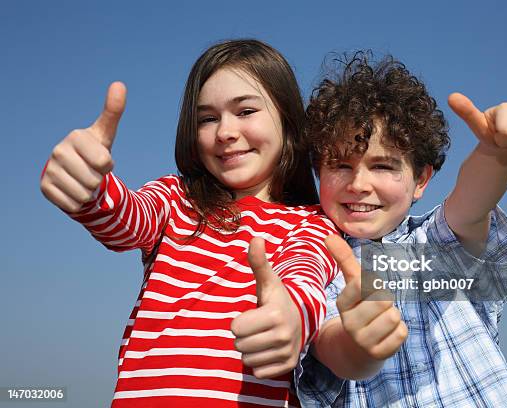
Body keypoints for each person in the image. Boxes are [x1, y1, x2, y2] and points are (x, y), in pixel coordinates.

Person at [40, 39, 341, 407]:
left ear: (288, 120)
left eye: (245, 111)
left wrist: (290, 320)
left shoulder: (311, 223)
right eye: (207, 118)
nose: (225, 131)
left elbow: (304, 278)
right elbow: (124, 219)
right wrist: (89, 187)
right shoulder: (175, 200)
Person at [296, 52, 507, 407]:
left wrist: (496, 152)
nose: (358, 184)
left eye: (383, 166)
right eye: (340, 164)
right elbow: (335, 349)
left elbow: (472, 202)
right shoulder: (312, 268)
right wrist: (359, 342)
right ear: (318, 173)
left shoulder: (435, 244)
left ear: (420, 180)